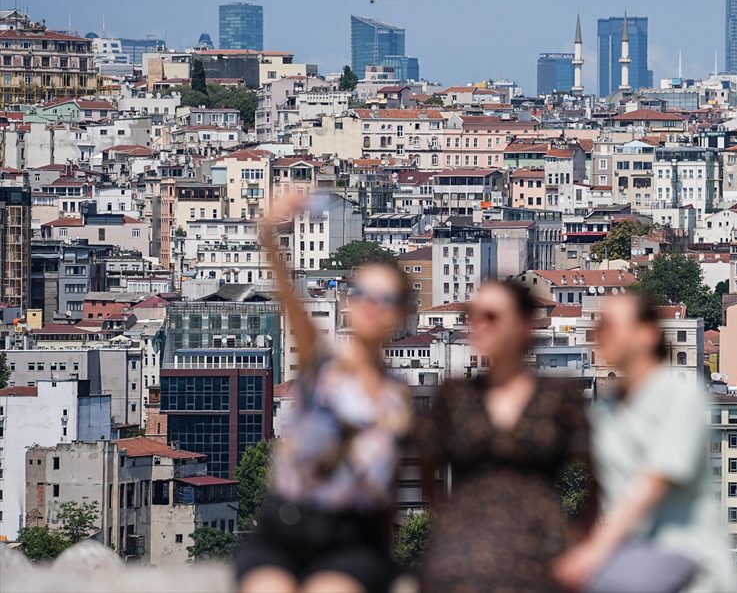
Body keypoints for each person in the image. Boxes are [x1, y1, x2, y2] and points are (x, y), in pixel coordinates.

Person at [237, 191, 413, 593]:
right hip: (287, 524)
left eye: (385, 298)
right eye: (361, 294)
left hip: (353, 536)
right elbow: (291, 301)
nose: (371, 305)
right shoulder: (323, 360)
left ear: (401, 312)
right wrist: (268, 234)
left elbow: (390, 486)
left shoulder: (398, 394)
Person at [554, 293, 737, 593]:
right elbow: (597, 493)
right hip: (629, 554)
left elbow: (652, 483)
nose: (599, 335)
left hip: (682, 551)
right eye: (598, 327)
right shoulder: (605, 410)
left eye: (610, 326)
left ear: (646, 335)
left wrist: (595, 552)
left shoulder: (680, 396)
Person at [418, 279, 592, 593]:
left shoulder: (558, 394)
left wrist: (583, 542)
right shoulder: (455, 395)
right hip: (462, 551)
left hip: (539, 550)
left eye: (492, 317)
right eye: (473, 316)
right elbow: (426, 467)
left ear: (523, 324)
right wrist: (446, 523)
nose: (479, 326)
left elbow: (594, 473)